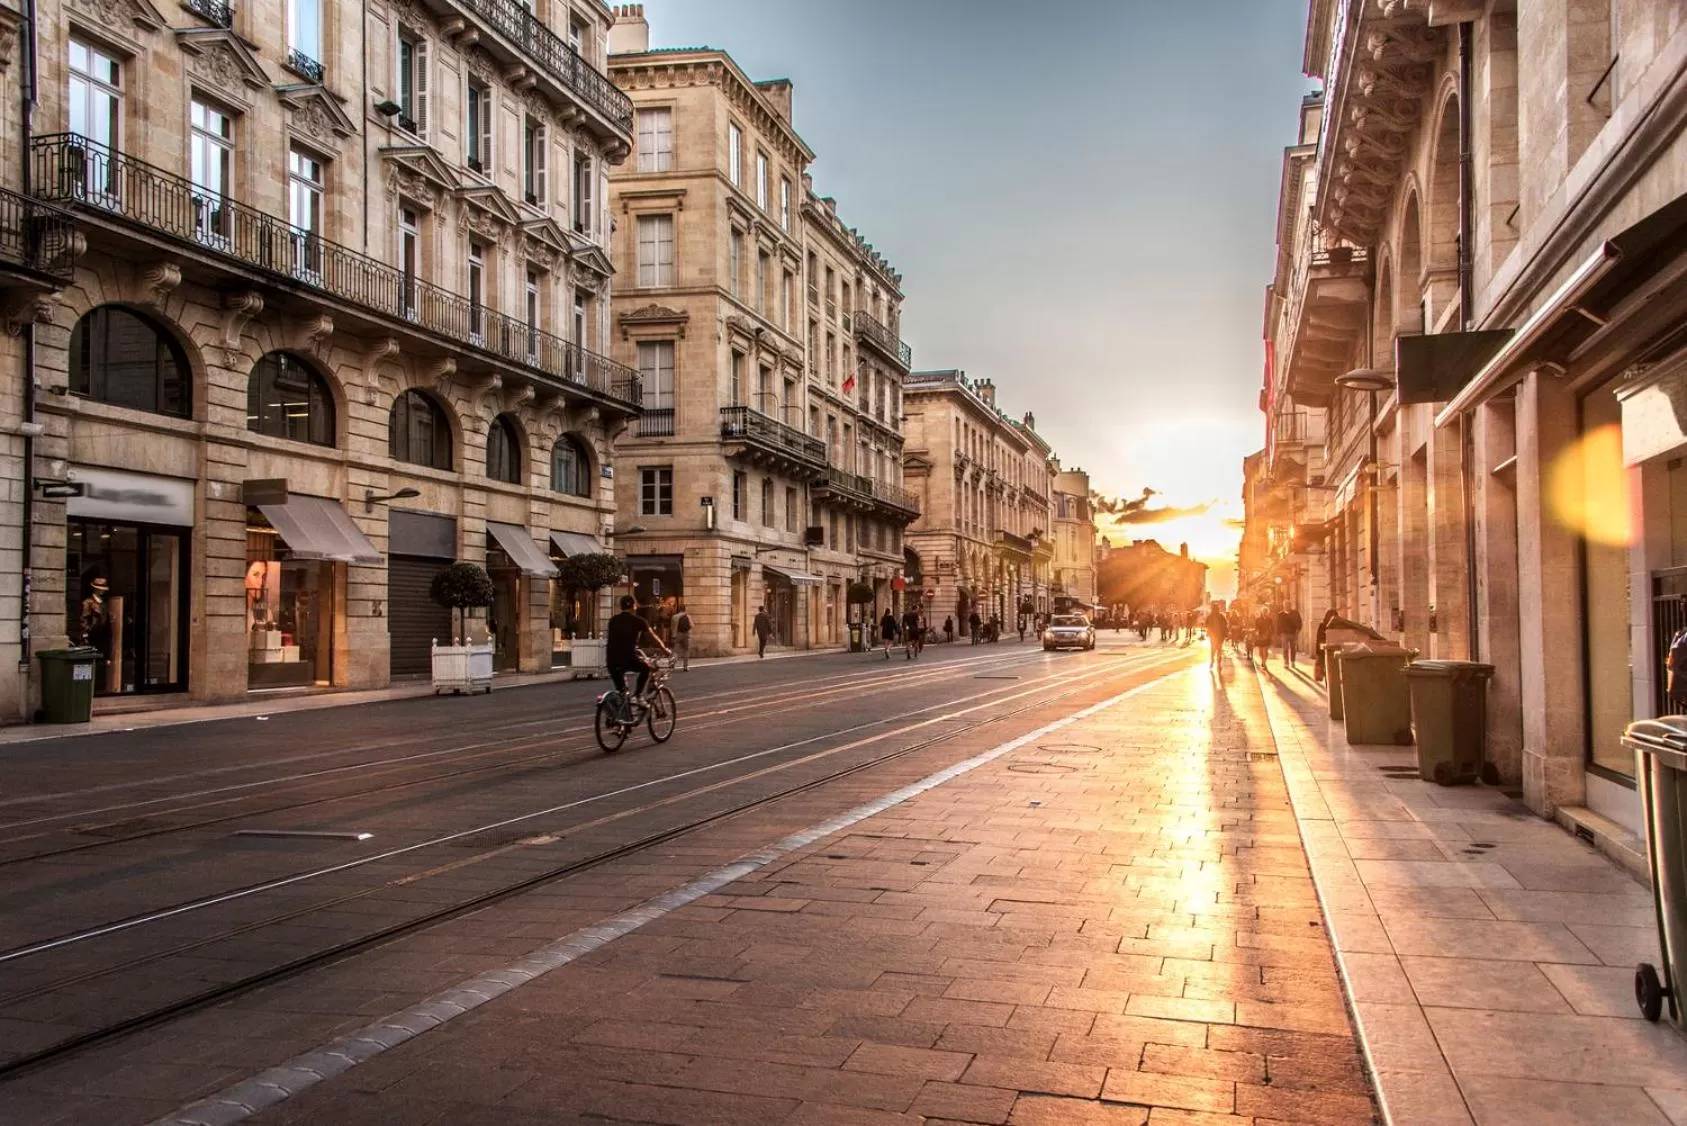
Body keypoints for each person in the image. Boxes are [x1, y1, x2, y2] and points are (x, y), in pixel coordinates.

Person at [606, 595, 670, 718]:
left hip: (611, 660)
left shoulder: (613, 620)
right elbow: (653, 638)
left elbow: (619, 640)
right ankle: (638, 695)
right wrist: (665, 649)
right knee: (646, 668)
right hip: (627, 658)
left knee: (622, 691)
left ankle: (621, 721)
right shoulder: (639, 621)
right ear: (634, 606)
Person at [1313, 608, 1339, 682]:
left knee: (1329, 671)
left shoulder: (1336, 626)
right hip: (1325, 651)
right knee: (1327, 670)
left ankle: (1329, 683)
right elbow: (1319, 639)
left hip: (1329, 651)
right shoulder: (1323, 626)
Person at [1204, 600, 1229, 669]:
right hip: (1220, 636)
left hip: (1213, 636)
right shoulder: (1221, 616)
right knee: (1219, 649)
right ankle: (1219, 663)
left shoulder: (1210, 616)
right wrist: (1226, 634)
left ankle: (1212, 662)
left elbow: (1206, 625)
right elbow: (1225, 625)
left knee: (1213, 649)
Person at [671, 601, 693, 671]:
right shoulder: (687, 616)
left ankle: (672, 665)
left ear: (679, 609)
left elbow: (672, 627)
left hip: (677, 634)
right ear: (685, 609)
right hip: (686, 634)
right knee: (686, 650)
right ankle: (685, 667)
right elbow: (692, 625)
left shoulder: (674, 616)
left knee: (675, 651)